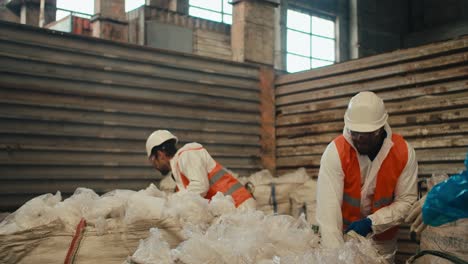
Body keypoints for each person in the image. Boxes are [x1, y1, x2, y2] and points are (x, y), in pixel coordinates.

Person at [316, 91, 418, 262]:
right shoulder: (336, 152)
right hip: (343, 238)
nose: (360, 138)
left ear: (381, 127)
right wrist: (335, 257)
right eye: (355, 132)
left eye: (368, 133)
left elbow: (407, 201)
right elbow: (328, 214)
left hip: (383, 244)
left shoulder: (404, 153)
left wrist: (373, 222)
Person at [145, 130, 256, 209]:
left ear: (160, 155)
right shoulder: (179, 170)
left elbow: (200, 186)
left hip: (240, 205)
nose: (154, 165)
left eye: (153, 160)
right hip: (231, 208)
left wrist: (172, 200)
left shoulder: (187, 155)